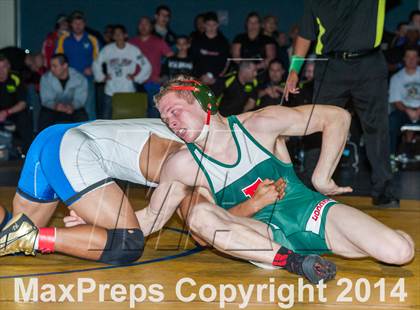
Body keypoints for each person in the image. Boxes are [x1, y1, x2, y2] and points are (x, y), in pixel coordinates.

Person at [148, 77, 414, 283]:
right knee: (199, 216)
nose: (169, 122)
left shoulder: (260, 123)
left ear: (204, 101)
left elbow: (337, 117)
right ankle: (296, 261)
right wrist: (253, 205)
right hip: (263, 238)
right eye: (164, 118)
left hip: (308, 211)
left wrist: (320, 177)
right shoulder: (182, 164)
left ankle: (367, 242)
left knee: (400, 252)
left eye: (174, 111)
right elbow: (200, 233)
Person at [0, 117, 279, 264]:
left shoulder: (200, 134)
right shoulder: (198, 169)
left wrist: (98, 217)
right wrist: (252, 206)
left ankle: (27, 235)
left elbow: (158, 218)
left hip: (54, 137)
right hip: (72, 150)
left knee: (9, 234)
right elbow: (202, 231)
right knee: (127, 243)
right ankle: (36, 238)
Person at [284, 0, 398, 208]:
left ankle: (383, 190)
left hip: (369, 65)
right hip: (331, 66)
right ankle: (313, 186)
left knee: (376, 128)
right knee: (318, 126)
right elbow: (306, 34)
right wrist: (294, 70)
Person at [93, 25, 151, 119]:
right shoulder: (107, 49)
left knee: (127, 120)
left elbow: (146, 66)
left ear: (125, 35)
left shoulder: (133, 50)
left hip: (128, 90)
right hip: (110, 91)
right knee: (105, 120)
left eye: (120, 33)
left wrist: (136, 78)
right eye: (115, 34)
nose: (118, 36)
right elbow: (96, 63)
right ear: (113, 36)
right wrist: (101, 77)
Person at [56, 11, 100, 120]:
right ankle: (69, 134)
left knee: (88, 109)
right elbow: (58, 58)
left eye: (80, 23)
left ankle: (92, 135)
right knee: (68, 109)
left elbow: (99, 60)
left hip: (86, 80)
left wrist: (93, 69)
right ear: (71, 24)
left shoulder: (92, 40)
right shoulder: (64, 39)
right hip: (69, 80)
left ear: (84, 24)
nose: (78, 26)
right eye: (75, 23)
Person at [129, 17, 173, 118]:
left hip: (153, 83)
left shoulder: (158, 42)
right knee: (135, 114)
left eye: (146, 24)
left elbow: (171, 58)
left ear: (151, 27)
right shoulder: (131, 42)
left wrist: (164, 76)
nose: (143, 26)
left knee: (153, 115)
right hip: (134, 82)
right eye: (141, 24)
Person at [389, 47, 420, 157]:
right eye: (408, 57)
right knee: (392, 119)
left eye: (414, 57)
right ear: (404, 59)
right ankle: (391, 156)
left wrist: (418, 111)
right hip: (404, 111)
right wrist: (408, 110)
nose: (411, 60)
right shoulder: (397, 78)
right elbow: (397, 102)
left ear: (418, 59)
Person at [0, 55, 33, 152]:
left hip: (13, 112)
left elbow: (22, 104)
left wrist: (6, 112)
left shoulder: (16, 78)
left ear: (9, 67)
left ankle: (28, 152)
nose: (1, 71)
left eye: (4, 67)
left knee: (24, 119)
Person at [190, 11, 230, 85]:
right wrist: (200, 76)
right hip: (199, 80)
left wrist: (216, 78)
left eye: (214, 25)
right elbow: (193, 61)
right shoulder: (197, 41)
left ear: (218, 25)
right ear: (204, 25)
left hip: (217, 80)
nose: (211, 27)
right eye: (208, 24)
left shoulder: (224, 42)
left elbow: (226, 62)